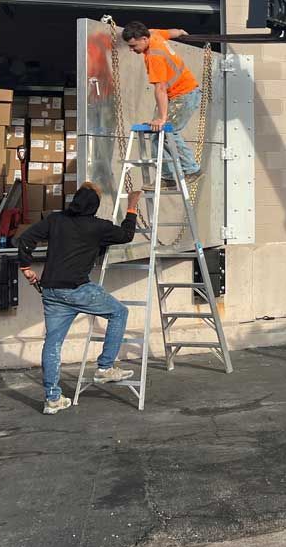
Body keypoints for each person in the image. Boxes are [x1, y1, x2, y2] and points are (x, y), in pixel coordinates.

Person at [17, 183, 142, 414]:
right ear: (94, 206)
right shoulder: (97, 227)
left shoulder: (56, 220)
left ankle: (52, 398)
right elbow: (126, 235)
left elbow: (25, 239)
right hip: (77, 289)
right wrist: (132, 206)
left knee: (53, 344)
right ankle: (105, 367)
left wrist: (26, 267)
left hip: (51, 292)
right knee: (119, 312)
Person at [121, 21, 201, 189]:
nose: (131, 49)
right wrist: (180, 31)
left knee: (166, 131)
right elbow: (171, 32)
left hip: (183, 95)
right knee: (157, 134)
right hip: (177, 94)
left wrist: (162, 118)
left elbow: (160, 88)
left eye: (133, 45)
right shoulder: (153, 34)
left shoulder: (154, 56)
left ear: (143, 39)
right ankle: (167, 177)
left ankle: (192, 169)